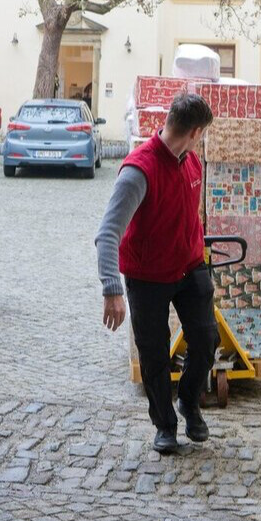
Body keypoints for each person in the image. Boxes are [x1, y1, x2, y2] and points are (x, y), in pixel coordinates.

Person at [96, 93, 218, 454]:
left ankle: (189, 402)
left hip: (189, 266)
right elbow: (107, 233)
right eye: (203, 134)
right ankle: (164, 424)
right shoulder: (138, 171)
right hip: (147, 274)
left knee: (206, 340)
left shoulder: (191, 161)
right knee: (153, 353)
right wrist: (111, 288)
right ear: (195, 131)